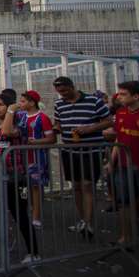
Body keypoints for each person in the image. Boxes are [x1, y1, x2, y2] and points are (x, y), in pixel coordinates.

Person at [52, 76, 112, 238]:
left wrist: (90, 128)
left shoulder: (94, 101)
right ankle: (83, 220)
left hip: (91, 150)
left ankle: (89, 222)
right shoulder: (59, 104)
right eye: (59, 92)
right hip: (70, 151)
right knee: (77, 186)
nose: (62, 94)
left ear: (72, 87)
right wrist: (56, 129)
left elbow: (108, 121)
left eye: (64, 91)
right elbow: (58, 123)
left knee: (87, 184)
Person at [0, 94, 40, 263]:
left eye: (1, 104)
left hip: (14, 177)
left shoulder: (19, 123)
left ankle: (33, 252)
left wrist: (11, 110)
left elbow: (7, 131)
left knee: (20, 214)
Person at [106, 81, 139, 245]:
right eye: (119, 93)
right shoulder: (120, 113)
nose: (119, 97)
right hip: (122, 166)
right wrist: (111, 162)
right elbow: (118, 139)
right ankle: (125, 238)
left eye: (123, 94)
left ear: (136, 96)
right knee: (123, 202)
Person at [12, 90, 55, 229]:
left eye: (23, 101)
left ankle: (36, 217)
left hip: (37, 157)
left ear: (32, 102)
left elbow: (51, 139)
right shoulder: (21, 116)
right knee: (28, 186)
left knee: (36, 187)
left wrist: (35, 142)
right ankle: (30, 211)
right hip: (22, 157)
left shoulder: (42, 118)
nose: (20, 103)